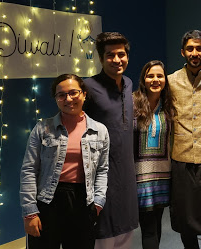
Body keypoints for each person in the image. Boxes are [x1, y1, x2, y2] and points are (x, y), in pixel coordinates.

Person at [20, 74, 109, 249]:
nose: (68, 99)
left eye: (73, 93)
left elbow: (102, 170)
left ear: (83, 94)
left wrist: (98, 202)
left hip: (83, 202)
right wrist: (30, 212)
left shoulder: (100, 131)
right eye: (61, 95)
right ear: (56, 99)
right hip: (48, 201)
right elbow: (29, 170)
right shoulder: (42, 129)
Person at [168, 30, 201, 249]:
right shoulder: (171, 80)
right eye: (190, 48)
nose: (194, 53)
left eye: (199, 48)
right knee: (185, 218)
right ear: (183, 52)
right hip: (181, 157)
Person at [83, 32, 139, 249]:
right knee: (103, 235)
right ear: (100, 58)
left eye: (121, 54)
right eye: (110, 55)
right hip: (101, 174)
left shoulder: (128, 83)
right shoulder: (88, 87)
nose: (117, 60)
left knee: (126, 234)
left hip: (126, 173)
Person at [133, 60, 173, 249]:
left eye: (159, 75)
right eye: (150, 75)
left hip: (164, 177)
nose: (155, 80)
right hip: (140, 179)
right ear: (143, 79)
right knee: (148, 228)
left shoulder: (170, 105)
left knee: (156, 225)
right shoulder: (132, 104)